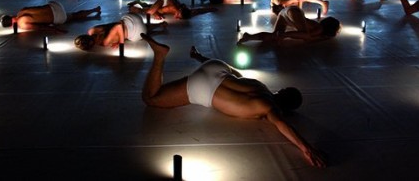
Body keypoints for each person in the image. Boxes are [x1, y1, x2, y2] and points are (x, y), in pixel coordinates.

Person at [139, 33, 326, 168]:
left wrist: (200, 58)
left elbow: (236, 74)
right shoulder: (268, 108)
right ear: (286, 109)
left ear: (282, 91)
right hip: (206, 88)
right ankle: (159, 56)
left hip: (217, 67)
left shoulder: (260, 86)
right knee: (151, 98)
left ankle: (195, 59)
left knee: (235, 74)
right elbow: (283, 125)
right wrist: (306, 148)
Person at [238, 5, 341, 44]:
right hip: (293, 12)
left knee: (274, 36)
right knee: (305, 34)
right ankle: (284, 34)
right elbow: (307, 38)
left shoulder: (317, 27)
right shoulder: (319, 28)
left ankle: (249, 37)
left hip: (286, 14)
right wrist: (286, 35)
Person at [74, 12, 167, 50]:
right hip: (130, 17)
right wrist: (119, 40)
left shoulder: (104, 42)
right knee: (146, 29)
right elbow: (114, 25)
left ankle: (159, 25)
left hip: (136, 31)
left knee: (145, 32)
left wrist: (121, 43)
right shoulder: (91, 30)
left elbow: (118, 27)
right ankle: (159, 24)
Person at [1, 1, 101, 32]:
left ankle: (94, 10)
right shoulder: (21, 11)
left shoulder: (22, 24)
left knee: (73, 16)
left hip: (58, 17)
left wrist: (57, 30)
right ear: (10, 16)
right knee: (72, 14)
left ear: (11, 25)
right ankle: (94, 9)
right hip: (55, 5)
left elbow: (40, 27)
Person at [128, 0, 217, 20]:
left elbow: (198, 11)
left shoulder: (187, 12)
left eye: (179, 17)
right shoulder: (172, 8)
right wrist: (156, 14)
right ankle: (134, 6)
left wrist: (211, 9)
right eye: (178, 15)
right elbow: (158, 11)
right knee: (149, 12)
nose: (177, 17)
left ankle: (140, 3)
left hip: (169, 2)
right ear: (178, 10)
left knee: (152, 8)